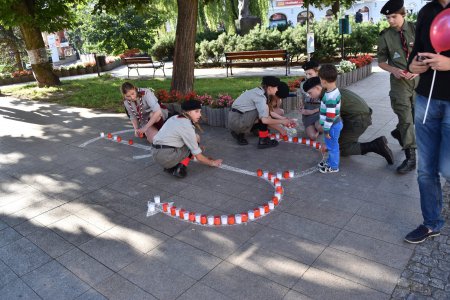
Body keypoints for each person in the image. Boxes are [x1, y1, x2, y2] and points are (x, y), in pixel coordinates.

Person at [403, 0, 450, 244]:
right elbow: (415, 54)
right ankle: (431, 223)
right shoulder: (427, 11)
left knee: (447, 167)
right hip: (426, 100)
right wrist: (415, 65)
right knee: (426, 170)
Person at [303, 77, 394, 164]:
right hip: (359, 116)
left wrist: (329, 144)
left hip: (358, 121)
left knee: (342, 149)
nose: (309, 96)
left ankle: (376, 145)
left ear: (318, 88)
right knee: (339, 140)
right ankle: (351, 141)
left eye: (310, 93)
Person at [377, 0, 419, 174]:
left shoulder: (417, 29)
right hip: (399, 84)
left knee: (417, 117)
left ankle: (399, 133)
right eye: (388, 17)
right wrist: (393, 69)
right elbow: (381, 61)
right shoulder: (385, 35)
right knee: (406, 119)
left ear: (403, 14)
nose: (391, 21)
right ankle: (411, 158)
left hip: (419, 81)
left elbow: (430, 52)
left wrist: (420, 70)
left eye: (394, 16)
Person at [152, 100, 223, 178]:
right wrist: (212, 163)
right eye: (196, 111)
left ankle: (170, 166)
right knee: (196, 139)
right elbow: (199, 157)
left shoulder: (174, 117)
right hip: (167, 157)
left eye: (200, 111)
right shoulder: (186, 125)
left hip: (155, 153)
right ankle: (179, 168)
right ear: (189, 112)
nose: (199, 115)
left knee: (192, 140)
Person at [228, 76, 291, 148]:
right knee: (264, 113)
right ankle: (263, 141)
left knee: (264, 112)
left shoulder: (259, 91)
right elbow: (265, 120)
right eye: (276, 87)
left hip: (235, 120)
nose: (277, 89)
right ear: (270, 88)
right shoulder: (260, 97)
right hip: (238, 122)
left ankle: (240, 133)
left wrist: (283, 120)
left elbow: (269, 114)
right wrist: (282, 122)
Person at [317, 64, 343, 173]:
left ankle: (333, 166)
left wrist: (326, 130)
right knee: (331, 145)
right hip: (333, 124)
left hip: (331, 126)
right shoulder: (333, 91)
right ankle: (330, 161)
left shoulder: (330, 97)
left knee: (332, 147)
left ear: (324, 81)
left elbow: (330, 116)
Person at [299, 60, 322, 140]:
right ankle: (316, 127)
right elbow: (302, 98)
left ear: (317, 72)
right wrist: (302, 107)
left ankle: (320, 127)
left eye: (310, 74)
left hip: (320, 111)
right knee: (312, 136)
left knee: (319, 127)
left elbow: (329, 105)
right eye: (306, 74)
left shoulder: (323, 84)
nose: (308, 77)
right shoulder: (303, 84)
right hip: (308, 113)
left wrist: (313, 111)